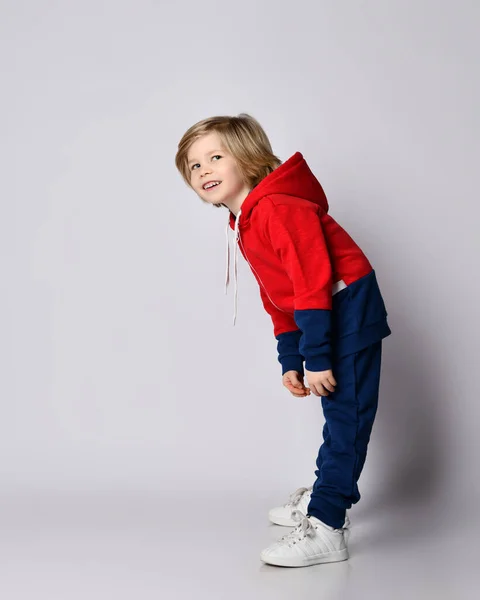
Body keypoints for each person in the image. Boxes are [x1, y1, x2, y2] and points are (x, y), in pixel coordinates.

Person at [175, 113, 392, 568]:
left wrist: (317, 356)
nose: (204, 170)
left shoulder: (276, 208)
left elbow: (312, 285)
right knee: (338, 416)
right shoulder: (246, 219)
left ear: (249, 159)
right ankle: (325, 492)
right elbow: (278, 295)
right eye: (194, 166)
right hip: (321, 314)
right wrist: (291, 357)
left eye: (216, 157)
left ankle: (328, 522)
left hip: (347, 309)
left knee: (346, 417)